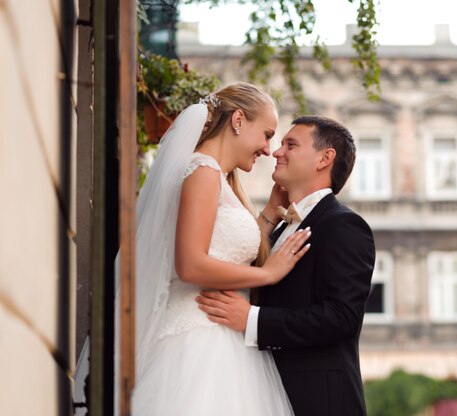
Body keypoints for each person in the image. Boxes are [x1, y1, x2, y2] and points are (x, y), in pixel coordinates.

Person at [75, 82, 311, 416]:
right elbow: (190, 264)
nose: (268, 148)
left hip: (220, 337)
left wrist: (269, 215)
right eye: (267, 133)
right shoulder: (202, 171)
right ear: (239, 120)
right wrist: (266, 274)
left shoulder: (216, 176)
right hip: (196, 342)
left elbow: (221, 247)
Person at [197, 115, 377, 416]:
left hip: (317, 402)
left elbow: (342, 317)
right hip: (264, 392)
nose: (276, 152)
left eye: (290, 145)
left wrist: (252, 320)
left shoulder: (343, 225)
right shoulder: (283, 227)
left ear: (324, 158)